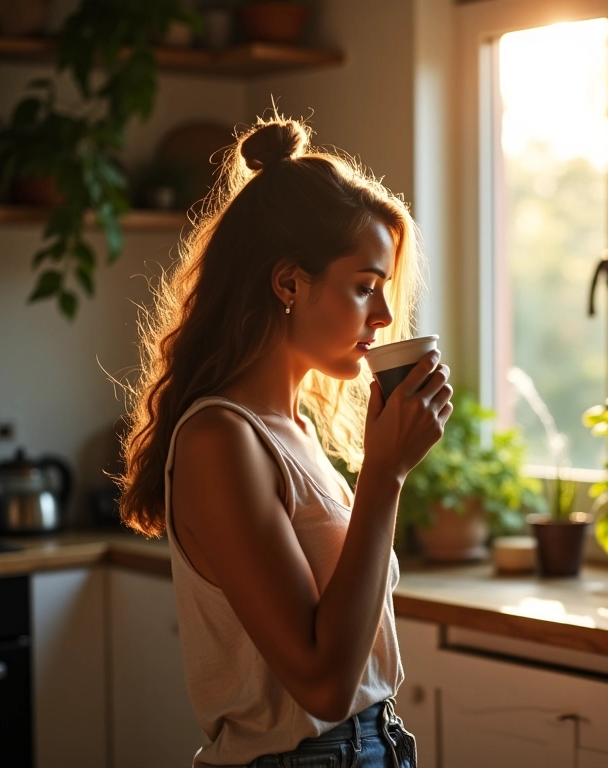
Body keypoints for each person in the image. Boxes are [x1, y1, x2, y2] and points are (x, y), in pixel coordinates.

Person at [117, 113, 453, 768]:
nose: (383, 318)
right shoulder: (222, 439)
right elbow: (323, 686)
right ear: (289, 284)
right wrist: (385, 477)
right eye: (364, 288)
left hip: (370, 746)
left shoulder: (295, 432)